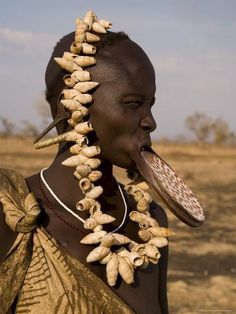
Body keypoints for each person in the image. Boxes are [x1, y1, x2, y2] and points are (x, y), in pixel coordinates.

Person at [0, 11, 169, 314]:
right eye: (133, 104)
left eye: (151, 104)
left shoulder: (150, 225)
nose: (151, 122)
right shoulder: (12, 215)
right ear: (73, 108)